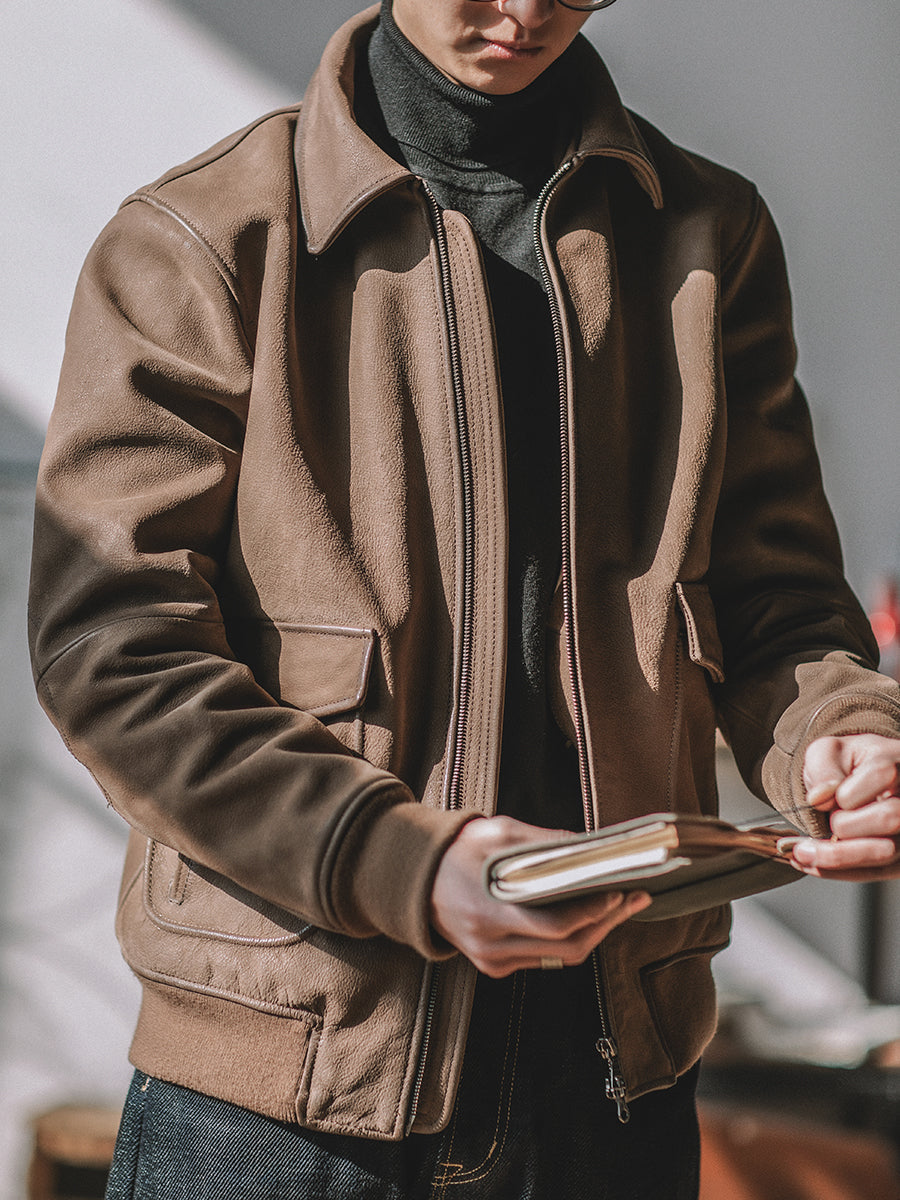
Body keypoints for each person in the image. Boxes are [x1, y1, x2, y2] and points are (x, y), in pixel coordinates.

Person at [27, 1, 900, 1196]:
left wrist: (836, 729)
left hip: (611, 1088)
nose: (525, 10)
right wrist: (395, 858)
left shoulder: (705, 233)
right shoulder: (198, 238)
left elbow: (774, 600)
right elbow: (117, 651)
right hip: (283, 1103)